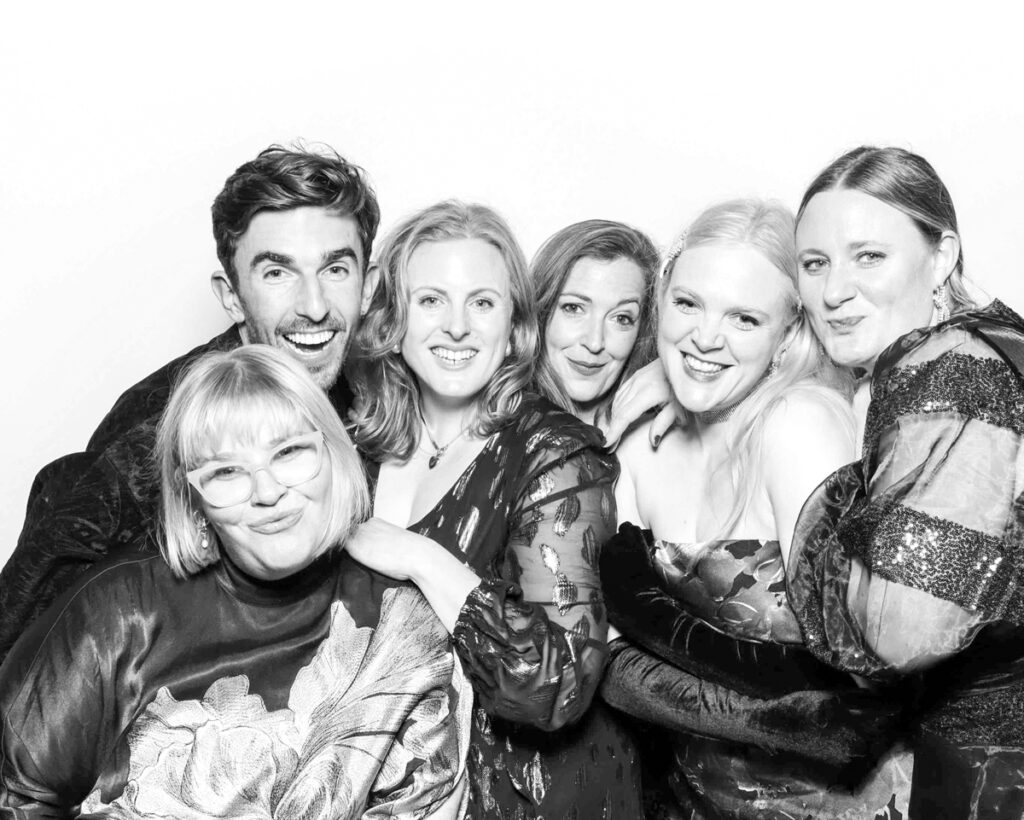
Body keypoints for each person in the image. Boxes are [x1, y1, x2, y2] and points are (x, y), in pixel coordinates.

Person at [0, 345, 471, 818]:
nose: (267, 493)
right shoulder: (119, 611)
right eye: (227, 472)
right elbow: (19, 797)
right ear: (194, 501)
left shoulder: (401, 623)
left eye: (289, 452)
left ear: (334, 455)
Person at [0, 143, 380, 663]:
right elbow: (26, 627)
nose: (314, 307)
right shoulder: (161, 428)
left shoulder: (378, 401)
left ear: (368, 285)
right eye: (277, 273)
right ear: (230, 295)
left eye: (335, 269)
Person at [599, 199, 909, 818]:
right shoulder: (638, 427)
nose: (705, 338)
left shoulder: (797, 425)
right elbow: (606, 625)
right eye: (688, 304)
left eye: (744, 318)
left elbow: (859, 681)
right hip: (694, 797)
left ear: (788, 334)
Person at [344, 201, 643, 819]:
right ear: (394, 320)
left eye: (481, 303)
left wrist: (422, 558)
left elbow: (557, 684)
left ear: (514, 327)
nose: (457, 326)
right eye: (431, 301)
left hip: (534, 796)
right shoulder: (357, 442)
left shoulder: (555, 454)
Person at [787, 146, 1024, 819]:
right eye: (814, 264)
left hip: (991, 783)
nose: (833, 291)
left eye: (869, 256)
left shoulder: (947, 366)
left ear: (941, 256)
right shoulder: (999, 343)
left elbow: (902, 634)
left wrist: (819, 477)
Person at [530, 219, 660, 426]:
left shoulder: (660, 436)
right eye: (573, 308)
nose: (594, 343)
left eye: (621, 318)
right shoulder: (489, 423)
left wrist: (678, 380)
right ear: (540, 311)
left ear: (641, 331)